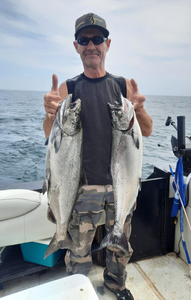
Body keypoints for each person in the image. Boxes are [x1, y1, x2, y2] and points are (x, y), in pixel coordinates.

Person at [43, 13, 152, 300]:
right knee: (78, 252)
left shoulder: (122, 86)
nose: (91, 45)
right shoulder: (69, 88)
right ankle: (75, 290)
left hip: (121, 185)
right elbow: (50, 136)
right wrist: (49, 114)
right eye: (84, 39)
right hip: (82, 187)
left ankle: (116, 286)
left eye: (97, 39)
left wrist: (139, 110)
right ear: (76, 46)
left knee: (120, 246)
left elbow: (148, 131)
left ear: (108, 44)